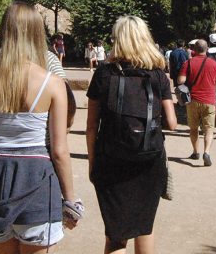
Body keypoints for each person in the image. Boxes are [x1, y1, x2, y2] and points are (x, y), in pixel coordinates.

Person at [0, 3, 82, 253]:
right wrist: (70, 200)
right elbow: (59, 150)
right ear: (37, 33)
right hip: (36, 179)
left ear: (3, 31)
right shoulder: (52, 83)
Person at [86, 16, 177, 254]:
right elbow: (173, 123)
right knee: (145, 228)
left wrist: (93, 162)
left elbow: (91, 126)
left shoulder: (104, 74)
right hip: (149, 159)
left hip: (111, 159)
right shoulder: (158, 75)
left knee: (116, 235)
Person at [177, 39, 216, 166]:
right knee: (209, 129)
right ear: (207, 49)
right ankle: (206, 152)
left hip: (192, 100)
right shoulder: (213, 63)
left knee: (193, 128)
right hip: (209, 100)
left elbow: (181, 80)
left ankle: (196, 152)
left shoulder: (188, 63)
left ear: (194, 50)